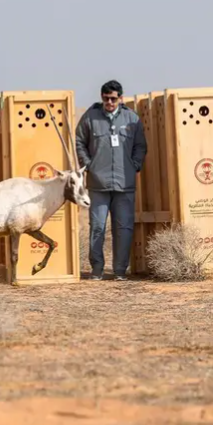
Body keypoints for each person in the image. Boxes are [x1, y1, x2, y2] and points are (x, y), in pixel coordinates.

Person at [75, 80, 147, 281]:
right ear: (101, 98)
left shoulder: (131, 118)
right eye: (106, 98)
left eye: (113, 98)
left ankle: (119, 271)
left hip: (125, 184)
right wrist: (88, 164)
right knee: (97, 226)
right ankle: (97, 269)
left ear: (120, 98)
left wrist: (135, 164)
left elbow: (141, 145)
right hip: (98, 183)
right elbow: (79, 141)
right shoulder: (90, 117)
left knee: (123, 227)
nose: (109, 102)